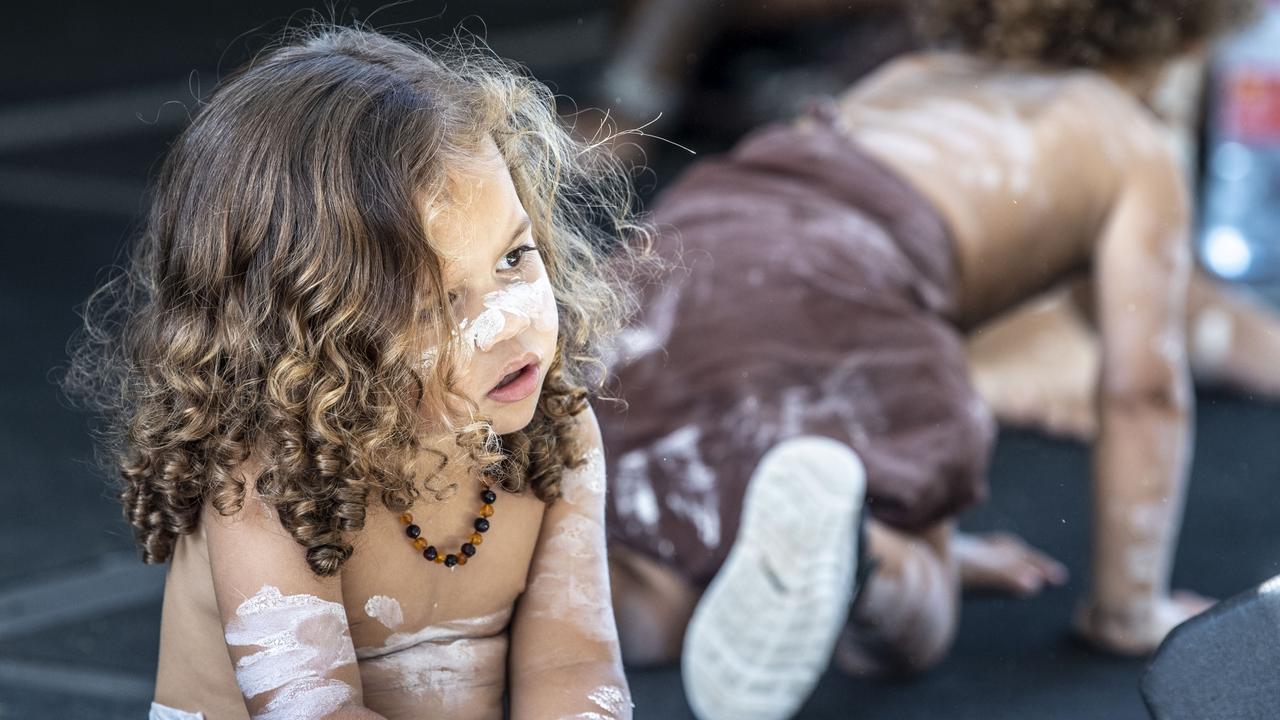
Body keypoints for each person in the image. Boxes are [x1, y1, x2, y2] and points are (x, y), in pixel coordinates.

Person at [598, 2, 1256, 718]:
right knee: (922, 612)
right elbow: (1142, 389)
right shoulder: (1133, 143)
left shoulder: (912, 76)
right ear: (1187, 37)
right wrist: (1127, 606)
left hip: (669, 259)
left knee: (658, 542)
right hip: (838, 276)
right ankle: (862, 554)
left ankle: (607, 594)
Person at [62, 26, 643, 720]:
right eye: (436, 304)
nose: (512, 320)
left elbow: (574, 663)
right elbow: (313, 710)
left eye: (514, 258)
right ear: (315, 338)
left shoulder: (554, 432)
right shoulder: (274, 479)